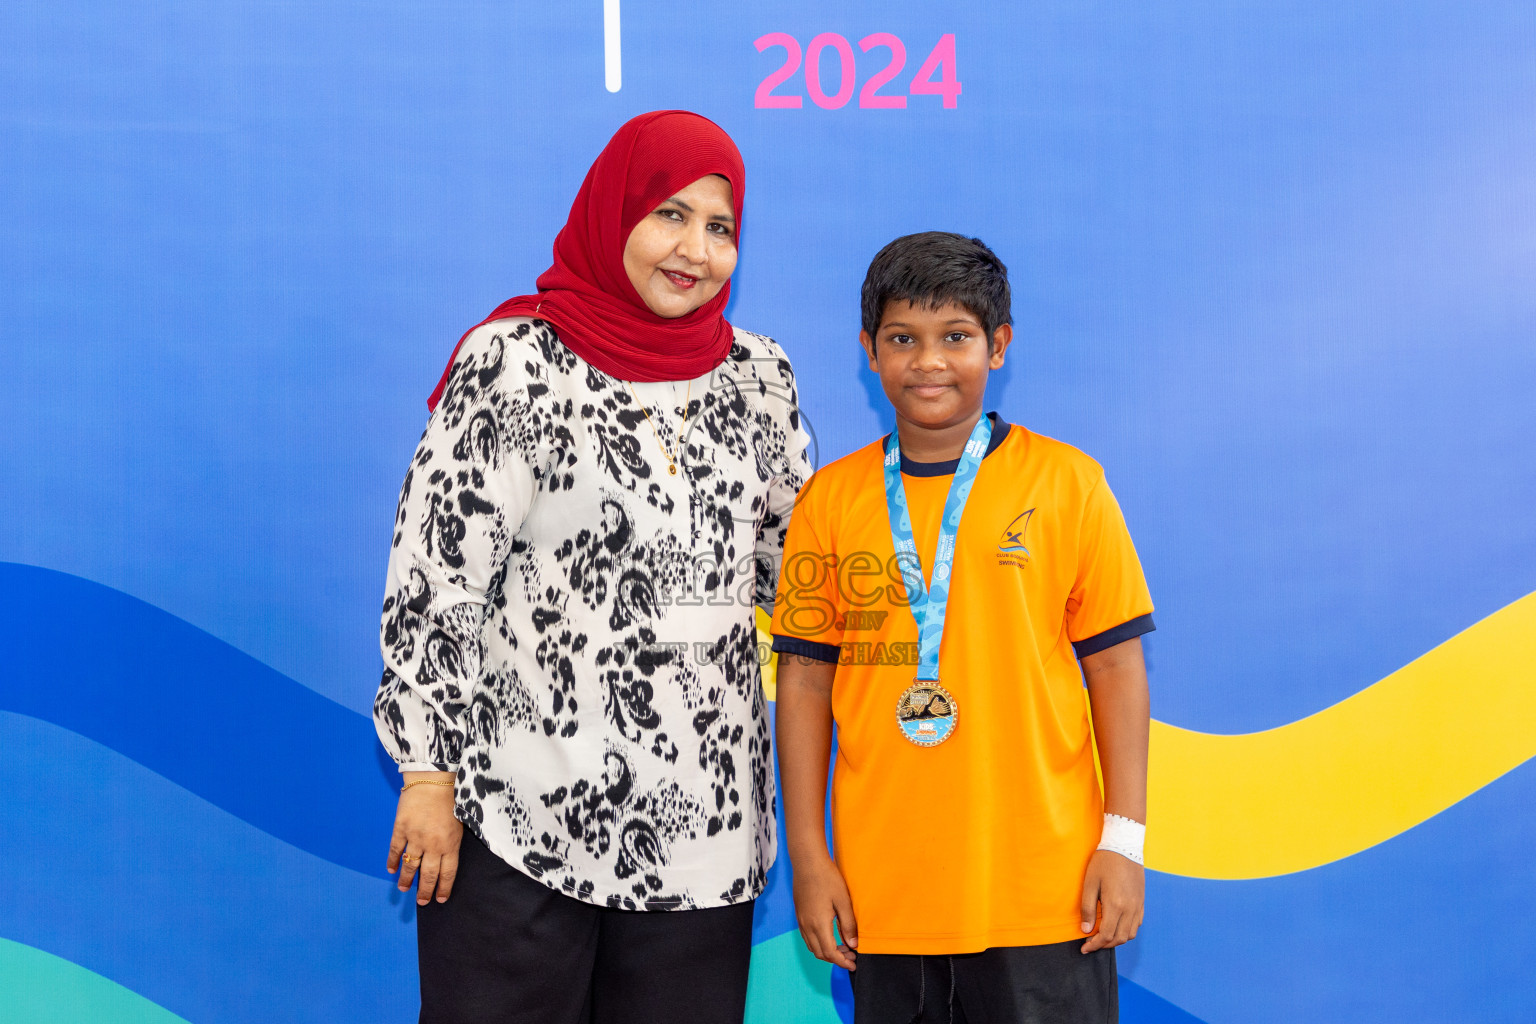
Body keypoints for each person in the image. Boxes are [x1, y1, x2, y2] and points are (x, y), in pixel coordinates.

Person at [373, 110, 810, 1024]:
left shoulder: (760, 378)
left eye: (721, 227)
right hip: (517, 820)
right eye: (670, 215)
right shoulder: (518, 363)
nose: (695, 249)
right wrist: (427, 775)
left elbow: (796, 579)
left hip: (706, 837)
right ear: (616, 215)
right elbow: (438, 579)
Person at [771, 232, 1153, 1023]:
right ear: (869, 353)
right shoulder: (830, 502)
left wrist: (1124, 841)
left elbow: (1115, 669)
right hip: (886, 892)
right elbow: (804, 683)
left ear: (999, 346)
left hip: (1044, 892)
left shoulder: (1068, 483)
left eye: (957, 338)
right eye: (903, 339)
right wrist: (811, 857)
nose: (929, 362)